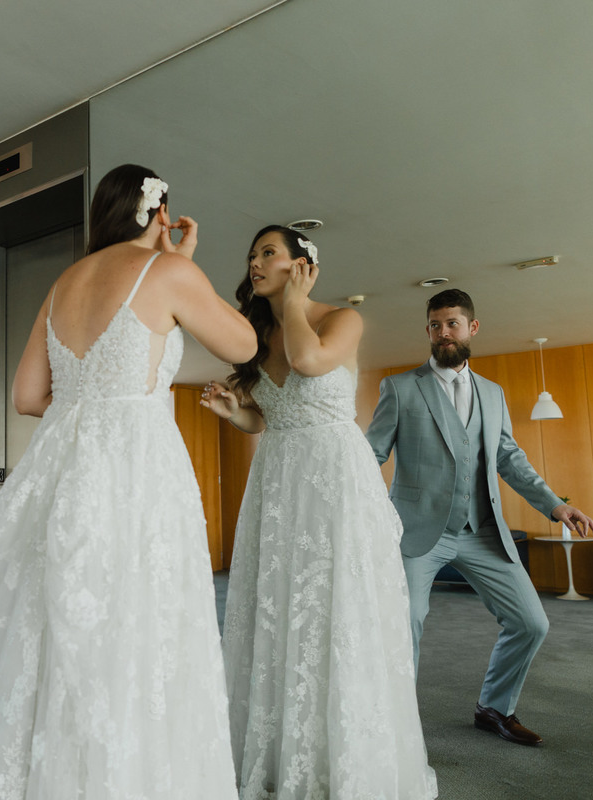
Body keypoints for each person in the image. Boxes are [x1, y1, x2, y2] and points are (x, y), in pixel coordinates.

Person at [0, 164, 256, 800]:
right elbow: (246, 343)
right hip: (135, 469)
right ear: (161, 213)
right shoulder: (170, 270)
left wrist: (84, 407)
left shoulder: (65, 281)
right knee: (138, 626)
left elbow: (28, 395)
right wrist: (184, 260)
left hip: (60, 469)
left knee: (57, 632)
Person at [203, 225, 436, 799]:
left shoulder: (340, 320)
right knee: (277, 606)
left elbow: (308, 361)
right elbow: (267, 417)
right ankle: (280, 756)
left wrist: (294, 304)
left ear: (301, 264)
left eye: (267, 253)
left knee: (336, 609)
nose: (254, 263)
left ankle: (346, 760)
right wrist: (237, 414)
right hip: (278, 478)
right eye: (252, 255)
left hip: (335, 479)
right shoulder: (256, 335)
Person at [366, 288, 593, 747]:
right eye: (435, 325)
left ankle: (495, 707)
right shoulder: (400, 387)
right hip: (417, 530)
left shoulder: (492, 393)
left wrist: (556, 504)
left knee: (532, 623)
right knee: (406, 619)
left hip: (482, 531)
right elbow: (369, 453)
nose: (443, 333)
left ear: (472, 328)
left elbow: (509, 457)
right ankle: (395, 726)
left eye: (452, 323)